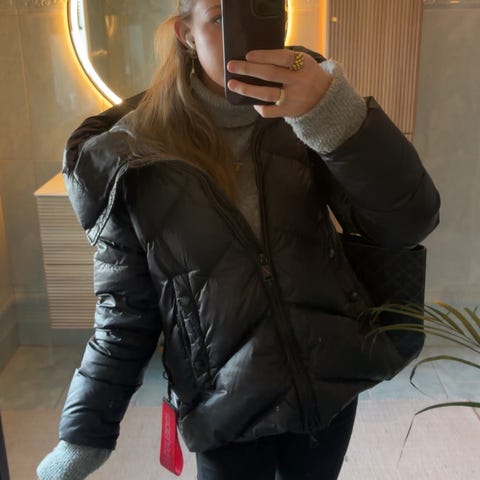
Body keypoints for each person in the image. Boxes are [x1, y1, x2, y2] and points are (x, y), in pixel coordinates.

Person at [37, 0, 440, 478]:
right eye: (220, 17)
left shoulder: (308, 107)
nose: (243, 33)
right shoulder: (136, 151)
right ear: (186, 33)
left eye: (263, 6)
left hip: (326, 384)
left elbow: (409, 219)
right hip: (224, 406)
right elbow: (125, 311)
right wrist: (84, 435)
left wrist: (332, 113)